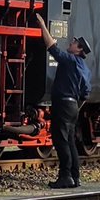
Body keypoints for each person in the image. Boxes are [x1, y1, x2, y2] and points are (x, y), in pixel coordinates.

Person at [35, 14, 92, 188]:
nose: (71, 42)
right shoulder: (84, 68)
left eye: (74, 42)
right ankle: (75, 176)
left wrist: (43, 25)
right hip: (73, 105)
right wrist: (74, 107)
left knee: (60, 141)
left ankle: (65, 176)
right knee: (70, 141)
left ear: (79, 49)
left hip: (64, 103)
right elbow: (86, 94)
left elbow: (52, 48)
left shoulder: (70, 61)